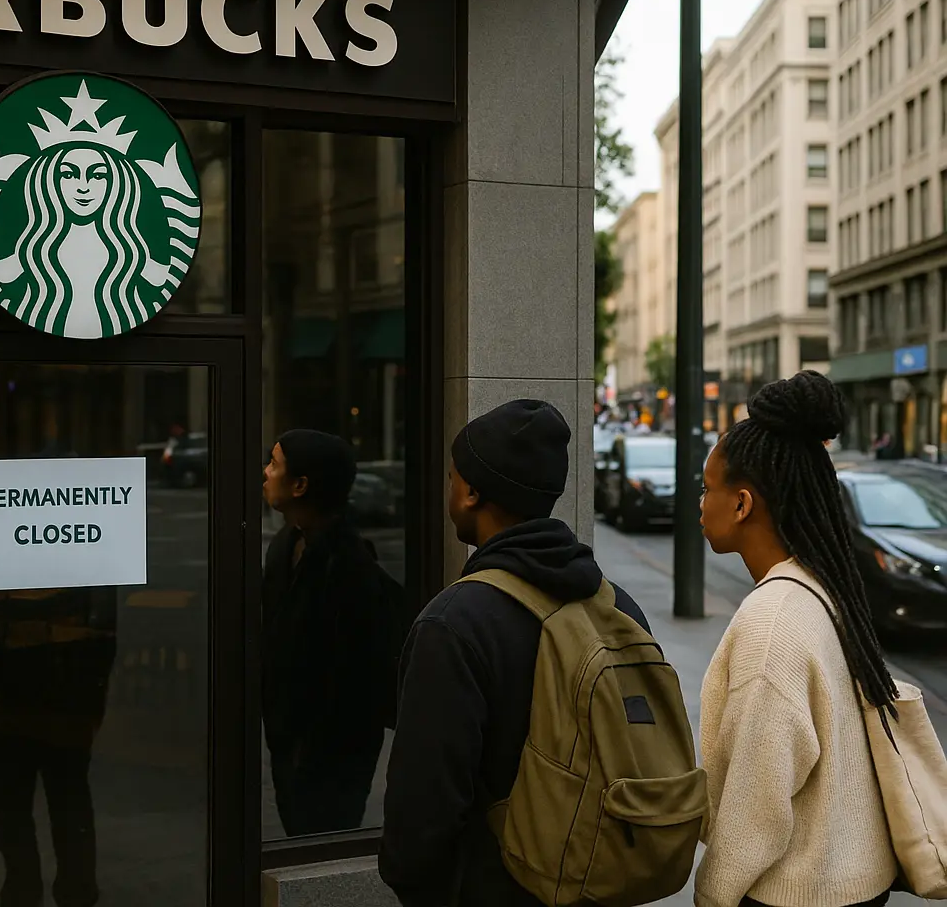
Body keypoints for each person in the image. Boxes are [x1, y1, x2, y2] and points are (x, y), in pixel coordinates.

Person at [378, 399, 649, 906]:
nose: (450, 489)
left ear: (472, 492)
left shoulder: (454, 622)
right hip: (595, 883)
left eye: (454, 477)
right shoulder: (618, 606)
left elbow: (422, 812)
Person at [695, 371, 897, 907]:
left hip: (795, 893)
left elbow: (755, 803)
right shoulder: (821, 590)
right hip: (852, 878)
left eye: (707, 487)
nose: (700, 502)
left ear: (741, 504)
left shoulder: (773, 620)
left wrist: (713, 894)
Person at [261, 429, 394, 837]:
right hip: (289, 737)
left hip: (330, 752)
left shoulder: (348, 565)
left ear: (300, 485)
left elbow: (352, 678)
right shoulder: (286, 542)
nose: (265, 473)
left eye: (274, 464)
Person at [0, 584, 118, 907]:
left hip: (42, 695)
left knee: (49, 806)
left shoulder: (8, 563)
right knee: (54, 805)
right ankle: (49, 892)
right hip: (30, 696)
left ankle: (47, 892)